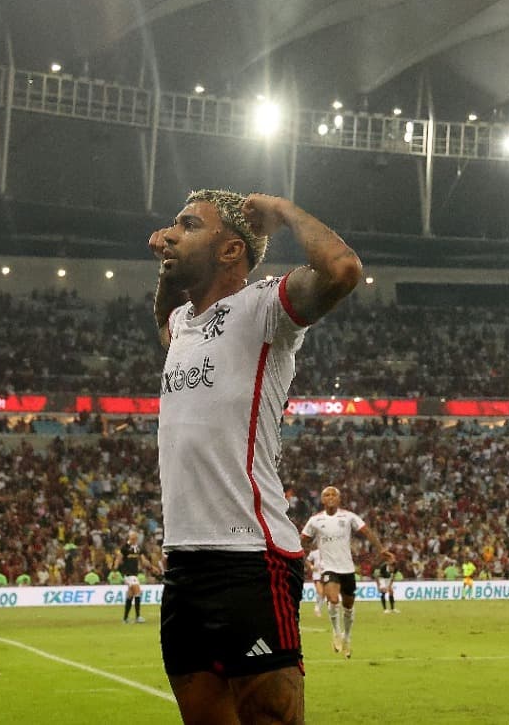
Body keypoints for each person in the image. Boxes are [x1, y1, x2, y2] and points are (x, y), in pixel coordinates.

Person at [150, 189, 362, 724]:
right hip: (184, 566)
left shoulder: (265, 307)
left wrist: (286, 212)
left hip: (248, 559)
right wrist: (169, 270)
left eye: (189, 225)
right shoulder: (183, 326)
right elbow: (163, 318)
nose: (171, 233)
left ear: (230, 252)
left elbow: (341, 270)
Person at [300, 486, 393, 660]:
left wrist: (381, 550)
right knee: (333, 599)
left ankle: (347, 637)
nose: (330, 497)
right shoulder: (315, 521)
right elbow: (303, 539)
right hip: (328, 568)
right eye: (326, 495)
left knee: (348, 606)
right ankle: (336, 632)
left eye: (334, 494)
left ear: (339, 499)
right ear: (322, 500)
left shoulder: (349, 516)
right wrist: (296, 554)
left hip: (347, 568)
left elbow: (367, 531)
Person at [114, 530, 152, 624]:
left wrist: (149, 566)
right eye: (132, 538)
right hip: (128, 574)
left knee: (130, 595)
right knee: (138, 592)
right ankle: (138, 617)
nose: (134, 540)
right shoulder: (125, 548)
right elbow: (118, 559)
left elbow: (143, 560)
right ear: (129, 538)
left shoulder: (138, 548)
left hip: (134, 574)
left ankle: (125, 618)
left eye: (135, 538)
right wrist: (115, 570)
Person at [305, 548, 324, 617]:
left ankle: (318, 608)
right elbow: (307, 560)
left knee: (323, 594)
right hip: (317, 575)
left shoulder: (329, 552)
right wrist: (311, 566)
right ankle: (317, 609)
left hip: (326, 574)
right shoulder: (314, 552)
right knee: (320, 592)